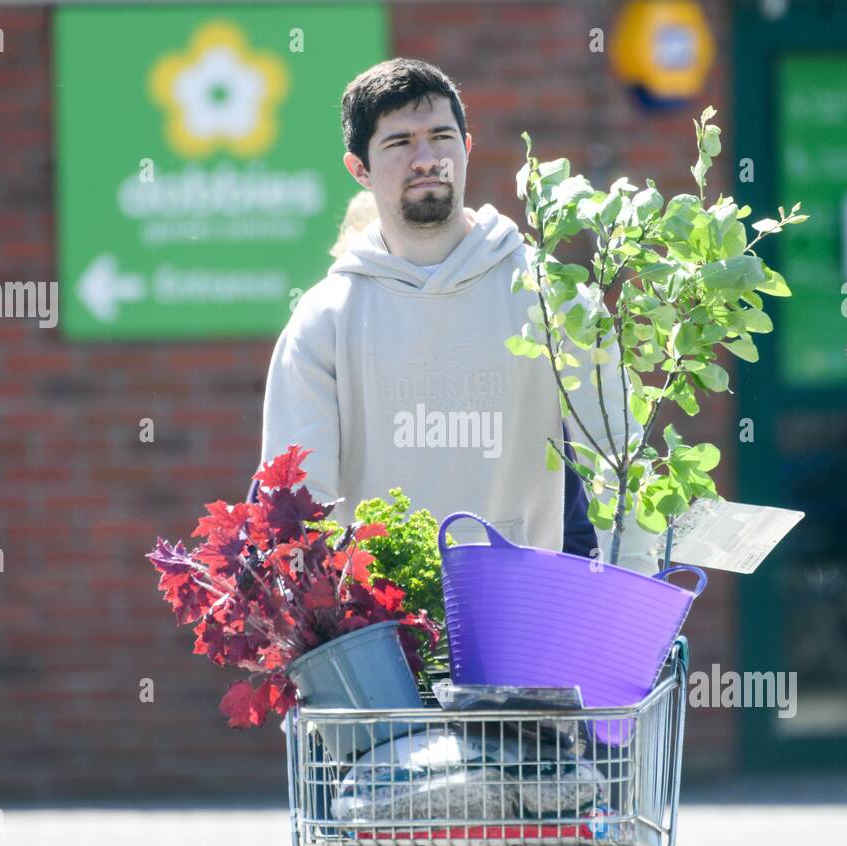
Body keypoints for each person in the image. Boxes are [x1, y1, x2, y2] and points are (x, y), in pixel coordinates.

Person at [256, 57, 660, 574]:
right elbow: (295, 500)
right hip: (383, 632)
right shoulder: (324, 320)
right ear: (359, 169)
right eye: (400, 143)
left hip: (523, 617)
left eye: (442, 137)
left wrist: (631, 606)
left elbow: (617, 456)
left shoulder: (549, 297)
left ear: (467, 149)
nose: (426, 158)